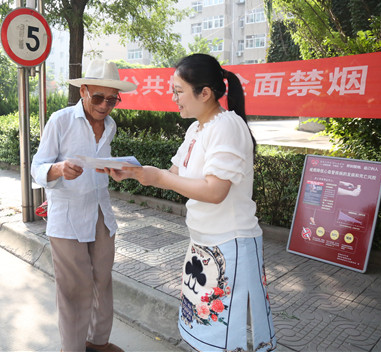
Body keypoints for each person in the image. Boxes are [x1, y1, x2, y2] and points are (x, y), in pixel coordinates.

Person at [104, 54, 277, 352]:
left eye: (179, 91)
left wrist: (158, 177)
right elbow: (174, 175)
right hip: (202, 243)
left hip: (230, 243)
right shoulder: (196, 129)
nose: (174, 98)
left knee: (226, 338)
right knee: (206, 332)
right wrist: (136, 173)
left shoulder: (227, 126)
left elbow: (215, 191)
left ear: (205, 93)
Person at [31, 59, 137, 352]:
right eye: (98, 97)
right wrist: (58, 169)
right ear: (83, 91)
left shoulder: (110, 125)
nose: (104, 106)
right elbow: (37, 166)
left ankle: (98, 342)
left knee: (102, 280)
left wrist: (114, 169)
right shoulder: (61, 120)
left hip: (101, 212)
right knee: (74, 289)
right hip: (68, 217)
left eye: (112, 100)